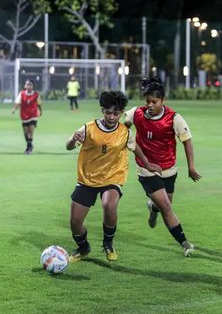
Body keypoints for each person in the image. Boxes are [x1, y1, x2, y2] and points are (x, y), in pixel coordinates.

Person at [66, 91, 161, 262]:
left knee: (109, 205)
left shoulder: (124, 132)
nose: (111, 117)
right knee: (75, 221)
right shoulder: (89, 128)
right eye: (108, 112)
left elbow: (134, 147)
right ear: (102, 110)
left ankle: (108, 243)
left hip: (113, 176)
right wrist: (73, 139)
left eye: (116, 113)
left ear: (121, 112)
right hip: (87, 178)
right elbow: (68, 146)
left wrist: (147, 164)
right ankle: (83, 247)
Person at [124, 77, 201, 257]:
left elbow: (187, 142)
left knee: (164, 205)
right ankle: (184, 243)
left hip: (169, 169)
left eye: (154, 102)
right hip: (146, 169)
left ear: (162, 100)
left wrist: (191, 167)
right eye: (147, 101)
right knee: (167, 206)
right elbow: (122, 130)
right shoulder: (136, 113)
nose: (150, 105)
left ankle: (152, 208)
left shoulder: (174, 118)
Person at [11, 79, 42, 154]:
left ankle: (28, 148)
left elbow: (39, 104)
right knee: (25, 133)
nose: (29, 86)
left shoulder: (36, 94)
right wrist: (14, 109)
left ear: (33, 86)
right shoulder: (21, 94)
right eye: (27, 84)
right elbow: (18, 103)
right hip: (24, 115)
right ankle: (30, 145)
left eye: (30, 85)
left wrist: (40, 111)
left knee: (30, 131)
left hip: (33, 115)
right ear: (25, 86)